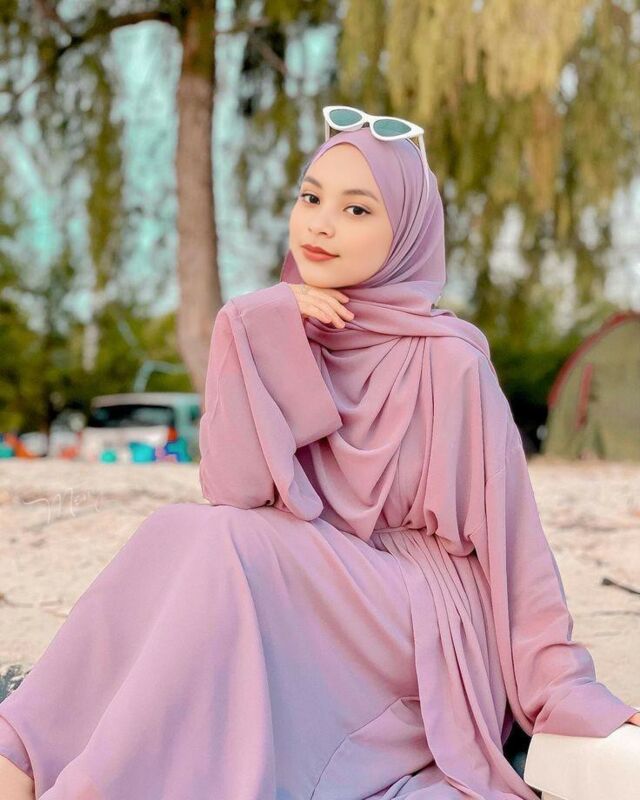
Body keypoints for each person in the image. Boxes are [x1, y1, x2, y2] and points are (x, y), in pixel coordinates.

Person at [0, 112, 638, 800]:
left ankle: (93, 783)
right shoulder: (278, 330)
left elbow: (515, 544)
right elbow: (235, 490)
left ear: (406, 233)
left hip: (416, 614)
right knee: (179, 529)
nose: (321, 224)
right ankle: (20, 758)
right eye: (310, 198)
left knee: (226, 543)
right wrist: (249, 329)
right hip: (308, 584)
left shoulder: (451, 360)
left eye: (356, 209)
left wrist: (564, 688)